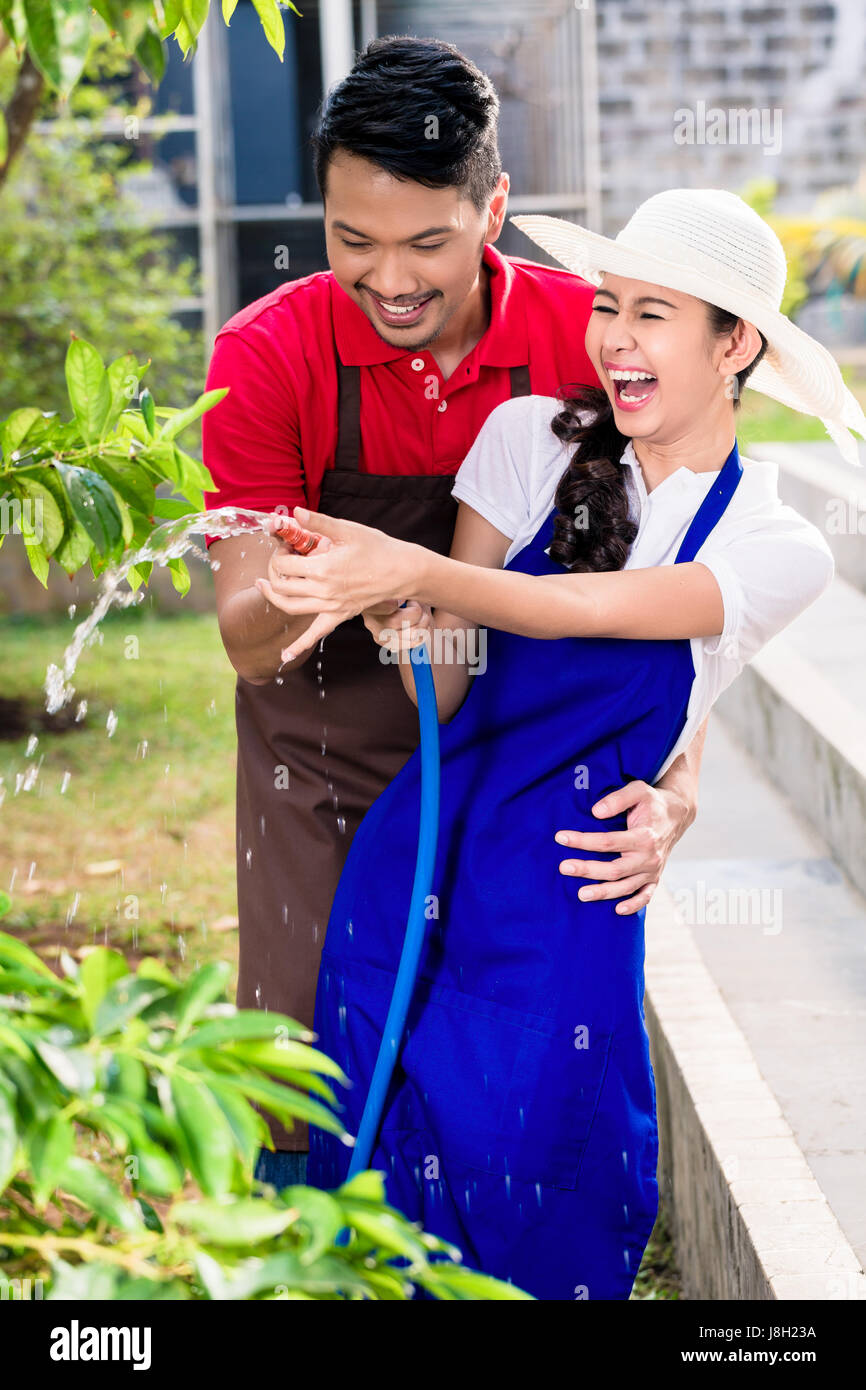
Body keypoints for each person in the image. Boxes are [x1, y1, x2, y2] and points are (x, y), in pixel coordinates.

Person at [254, 188, 864, 1299]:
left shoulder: (774, 542)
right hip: (417, 866)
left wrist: (414, 569)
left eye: (652, 314)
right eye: (606, 306)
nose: (613, 338)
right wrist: (408, 619)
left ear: (734, 345)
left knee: (538, 1201)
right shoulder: (527, 441)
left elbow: (594, 613)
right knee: (370, 1196)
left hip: (564, 903)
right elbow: (448, 686)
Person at [203, 37, 709, 1186]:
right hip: (321, 761)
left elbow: (671, 595)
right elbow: (242, 635)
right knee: (309, 1066)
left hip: (530, 758)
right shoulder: (268, 355)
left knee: (509, 1074)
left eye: (427, 242)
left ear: (495, 209)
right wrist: (320, 582)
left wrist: (677, 788)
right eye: (352, 240)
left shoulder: (588, 340)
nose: (389, 279)